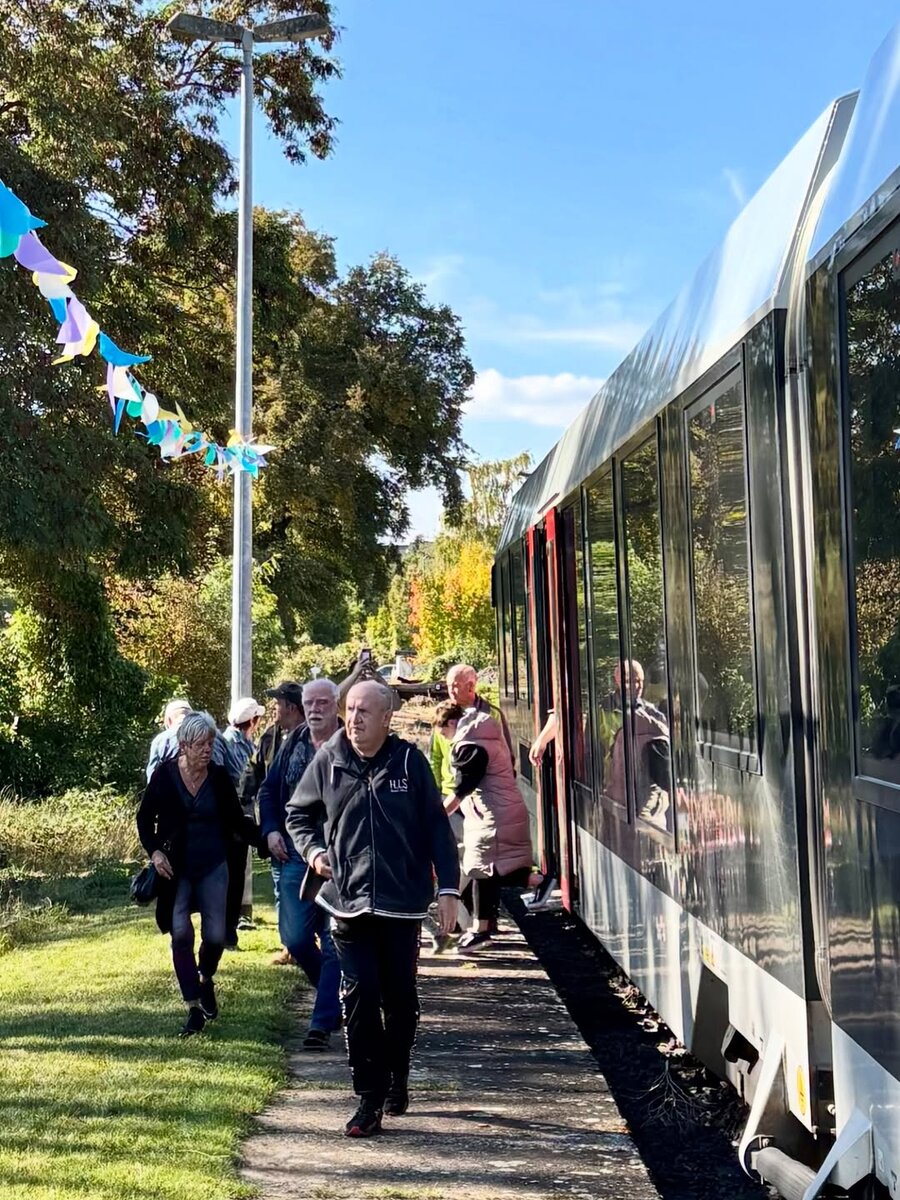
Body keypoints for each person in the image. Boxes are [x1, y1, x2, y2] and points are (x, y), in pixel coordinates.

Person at [286, 680, 459, 1139]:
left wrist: (449, 890)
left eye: (366, 711)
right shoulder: (331, 759)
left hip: (401, 903)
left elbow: (437, 830)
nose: (356, 718)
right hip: (347, 901)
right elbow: (297, 814)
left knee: (399, 998)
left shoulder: (409, 761)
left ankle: (396, 1074)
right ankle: (368, 1096)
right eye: (351, 709)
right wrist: (314, 852)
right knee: (359, 992)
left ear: (388, 718)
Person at [137, 711, 262, 1038]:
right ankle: (193, 1006)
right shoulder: (164, 776)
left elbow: (236, 820)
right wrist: (155, 851)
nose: (207, 750)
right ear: (184, 746)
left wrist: (265, 840)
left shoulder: (218, 778)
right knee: (180, 933)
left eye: (210, 743)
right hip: (176, 869)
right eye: (200, 744)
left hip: (213, 864)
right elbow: (144, 818)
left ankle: (206, 978)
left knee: (217, 935)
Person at [258, 679, 343, 1049]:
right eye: (310, 702)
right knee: (294, 937)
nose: (315, 708)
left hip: (341, 858)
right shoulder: (292, 742)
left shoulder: (351, 742)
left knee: (334, 939)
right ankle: (334, 994)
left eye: (323, 702)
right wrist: (271, 830)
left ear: (336, 705)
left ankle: (320, 1024)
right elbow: (267, 790)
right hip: (295, 854)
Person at [436, 701, 555, 952]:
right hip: (499, 813)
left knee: (481, 870)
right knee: (495, 870)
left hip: (493, 817)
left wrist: (437, 815)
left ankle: (481, 930)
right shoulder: (483, 735)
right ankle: (540, 881)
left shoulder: (470, 746)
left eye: (443, 733)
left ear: (451, 724)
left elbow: (462, 788)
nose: (445, 739)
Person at [239, 681, 305, 964]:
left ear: (291, 707)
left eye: (278, 704)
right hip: (278, 830)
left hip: (312, 831)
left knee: (309, 892)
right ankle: (290, 947)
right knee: (282, 889)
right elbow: (253, 776)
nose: (274, 710)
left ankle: (308, 944)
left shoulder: (320, 735)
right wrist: (243, 810)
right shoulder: (271, 737)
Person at [223, 697, 265, 939]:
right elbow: (242, 779)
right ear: (252, 721)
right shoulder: (231, 743)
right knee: (232, 874)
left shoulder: (247, 743)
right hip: (234, 820)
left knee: (238, 874)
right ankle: (227, 931)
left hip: (245, 817)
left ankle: (229, 930)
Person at [446, 663, 514, 765]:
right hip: (451, 780)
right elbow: (436, 757)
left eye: (455, 686)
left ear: (470, 686)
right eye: (448, 686)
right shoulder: (444, 713)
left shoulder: (492, 714)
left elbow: (506, 754)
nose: (451, 691)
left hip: (485, 779)